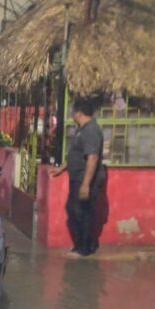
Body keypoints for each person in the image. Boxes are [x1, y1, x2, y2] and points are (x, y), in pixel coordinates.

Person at [51, 98, 104, 257]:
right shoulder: (82, 129)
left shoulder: (91, 131)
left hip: (84, 179)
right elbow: (76, 154)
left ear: (79, 113)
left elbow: (92, 157)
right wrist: (61, 168)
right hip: (77, 177)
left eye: (73, 112)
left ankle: (84, 248)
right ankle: (83, 244)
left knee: (81, 212)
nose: (72, 115)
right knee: (75, 211)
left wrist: (86, 184)